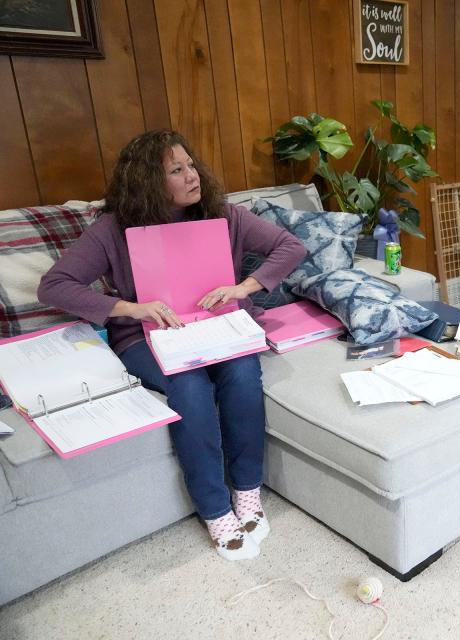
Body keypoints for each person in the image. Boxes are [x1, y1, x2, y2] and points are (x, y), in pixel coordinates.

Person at [38, 130, 307, 560]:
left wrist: (245, 287)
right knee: (190, 386)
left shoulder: (221, 213)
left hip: (219, 327)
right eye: (176, 170)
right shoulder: (112, 229)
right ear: (148, 181)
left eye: (191, 164)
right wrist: (131, 307)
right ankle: (215, 509)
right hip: (148, 337)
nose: (192, 175)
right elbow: (54, 287)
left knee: (241, 373)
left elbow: (289, 247)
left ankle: (247, 491)